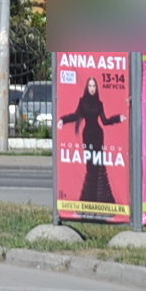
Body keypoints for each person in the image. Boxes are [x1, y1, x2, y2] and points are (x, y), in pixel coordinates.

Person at [58, 76, 123, 207]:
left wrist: (118, 118)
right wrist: (62, 120)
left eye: (94, 86)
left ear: (96, 88)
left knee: (99, 166)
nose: (92, 88)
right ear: (87, 87)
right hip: (87, 135)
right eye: (90, 86)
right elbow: (76, 116)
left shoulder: (99, 103)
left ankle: (102, 201)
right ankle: (89, 200)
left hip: (98, 135)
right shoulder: (82, 102)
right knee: (90, 167)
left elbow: (105, 121)